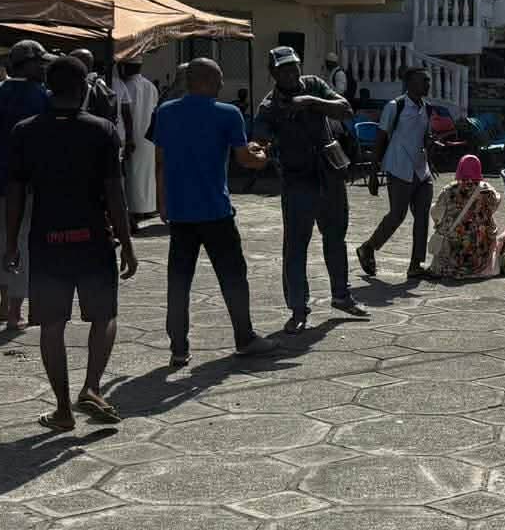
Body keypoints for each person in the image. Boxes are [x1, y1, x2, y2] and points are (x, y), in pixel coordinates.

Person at [3, 56, 137, 432]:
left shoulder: (25, 131)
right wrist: (126, 241)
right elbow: (115, 193)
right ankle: (92, 387)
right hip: (93, 239)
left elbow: (16, 193)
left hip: (47, 241)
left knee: (51, 325)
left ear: (49, 89)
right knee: (104, 316)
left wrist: (11, 243)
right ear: (84, 90)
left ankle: (62, 410)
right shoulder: (103, 130)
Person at [147, 57, 278, 367]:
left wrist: (162, 202)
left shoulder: (165, 113)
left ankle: (178, 346)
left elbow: (160, 161)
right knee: (233, 275)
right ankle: (244, 337)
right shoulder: (228, 114)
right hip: (215, 209)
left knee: (179, 280)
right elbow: (245, 159)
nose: (222, 84)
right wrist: (264, 154)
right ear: (205, 81)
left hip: (180, 211)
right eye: (218, 78)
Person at [253, 47, 362, 333]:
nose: (291, 73)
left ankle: (341, 295)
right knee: (296, 247)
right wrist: (259, 149)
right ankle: (298, 309)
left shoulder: (314, 85)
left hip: (329, 173)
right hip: (298, 180)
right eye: (284, 70)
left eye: (294, 67)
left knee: (336, 237)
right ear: (273, 73)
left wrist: (311, 102)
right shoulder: (269, 106)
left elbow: (346, 109)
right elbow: (260, 137)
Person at [0, 41, 50, 329]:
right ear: (25, 65)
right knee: (25, 239)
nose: (43, 68)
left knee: (3, 237)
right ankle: (17, 309)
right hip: (32, 181)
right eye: (39, 63)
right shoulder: (44, 97)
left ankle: (5, 304)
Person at [358, 66, 435, 281]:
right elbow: (380, 139)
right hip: (399, 168)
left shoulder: (427, 108)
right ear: (410, 84)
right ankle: (368, 247)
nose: (427, 85)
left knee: (422, 218)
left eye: (428, 81)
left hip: (422, 171)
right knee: (397, 215)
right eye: (423, 81)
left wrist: (431, 145)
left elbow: (423, 137)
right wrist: (373, 173)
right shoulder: (396, 106)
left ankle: (415, 265)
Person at [427, 154, 501, 281]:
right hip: (480, 248)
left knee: (438, 215)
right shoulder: (488, 190)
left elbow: (436, 213)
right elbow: (494, 207)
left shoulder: (449, 190)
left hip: (454, 248)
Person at [116, 60, 160, 222]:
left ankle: (135, 209)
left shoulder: (126, 86)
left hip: (132, 136)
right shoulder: (151, 86)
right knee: (147, 174)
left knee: (132, 174)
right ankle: (148, 207)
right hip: (149, 137)